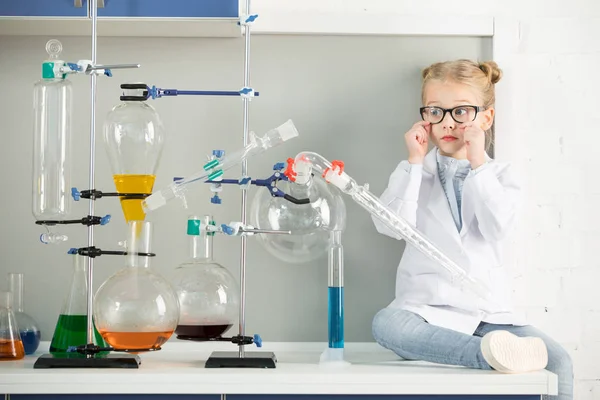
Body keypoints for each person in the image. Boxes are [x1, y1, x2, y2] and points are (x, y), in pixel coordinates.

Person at [371, 59, 573, 400]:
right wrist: (415, 161)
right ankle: (487, 356)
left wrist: (478, 164)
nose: (448, 123)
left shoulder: (502, 176)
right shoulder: (413, 171)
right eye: (436, 111)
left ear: (486, 118)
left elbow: (497, 229)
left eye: (461, 112)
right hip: (425, 311)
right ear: (425, 117)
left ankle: (495, 351)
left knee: (558, 360)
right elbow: (390, 226)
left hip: (487, 315)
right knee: (386, 325)